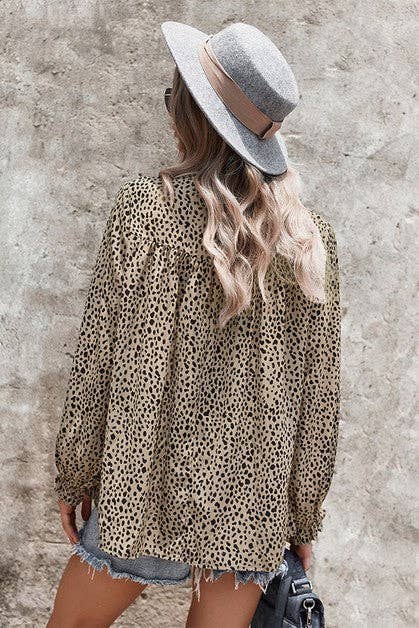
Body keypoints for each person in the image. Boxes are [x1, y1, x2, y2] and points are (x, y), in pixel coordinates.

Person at [48, 20, 342, 628]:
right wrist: (301, 517)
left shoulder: (144, 213)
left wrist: (76, 473)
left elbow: (96, 360)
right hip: (250, 504)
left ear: (192, 115)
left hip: (142, 485)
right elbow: (321, 402)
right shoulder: (309, 242)